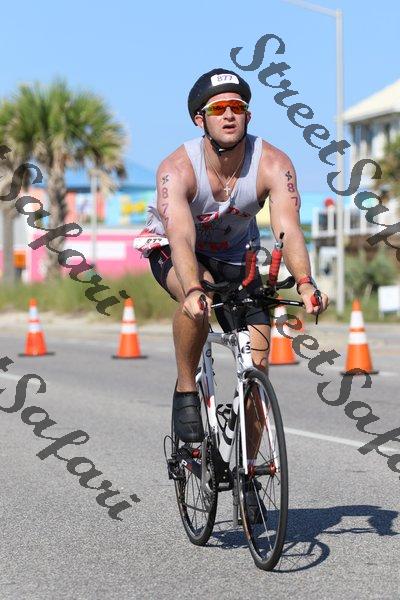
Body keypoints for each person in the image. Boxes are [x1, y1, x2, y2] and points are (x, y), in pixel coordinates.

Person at [135, 67, 329, 446]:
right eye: (218, 108)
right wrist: (193, 289)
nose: (228, 115)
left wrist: (306, 283)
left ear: (248, 116)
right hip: (176, 251)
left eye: (236, 108)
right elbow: (181, 237)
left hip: (239, 259)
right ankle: (186, 388)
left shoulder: (273, 163)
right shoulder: (177, 169)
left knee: (259, 364)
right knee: (198, 296)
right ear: (200, 120)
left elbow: (288, 230)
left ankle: (251, 472)